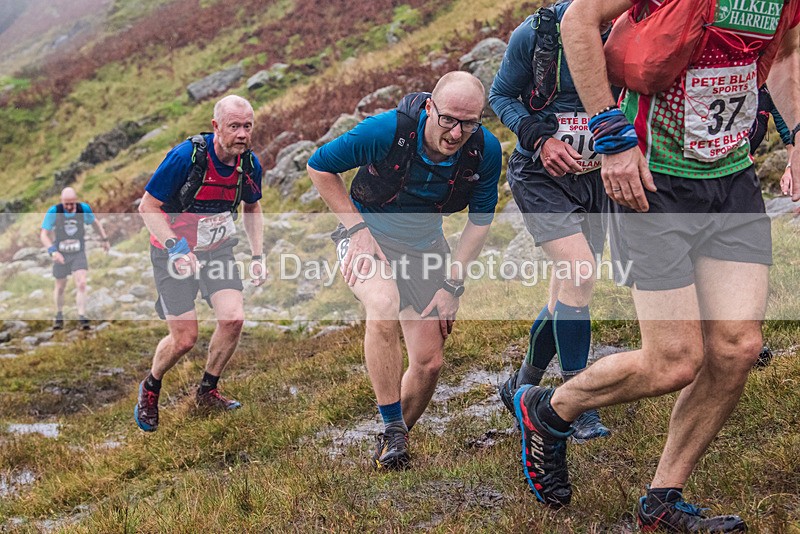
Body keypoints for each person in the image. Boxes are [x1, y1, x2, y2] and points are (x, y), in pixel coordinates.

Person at [507, 1, 800, 532]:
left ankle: (662, 499)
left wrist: (798, 134)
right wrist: (611, 135)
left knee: (738, 348)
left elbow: (784, 57)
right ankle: (548, 409)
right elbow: (578, 20)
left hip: (731, 178)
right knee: (674, 360)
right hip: (652, 181)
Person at [307, 71, 502, 470]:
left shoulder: (485, 150)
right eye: (448, 119)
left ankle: (393, 441)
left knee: (430, 362)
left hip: (424, 248)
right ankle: (393, 427)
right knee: (383, 303)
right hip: (369, 235)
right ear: (430, 107)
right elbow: (319, 167)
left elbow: (479, 223)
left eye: (469, 122)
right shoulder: (386, 130)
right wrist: (356, 230)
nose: (455, 133)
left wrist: (452, 285)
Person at [489, 0, 611, 443]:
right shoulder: (538, 34)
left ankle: (520, 387)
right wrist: (540, 139)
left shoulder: (631, 26)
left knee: (570, 288)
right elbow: (499, 95)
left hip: (597, 174)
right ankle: (578, 404)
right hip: (540, 175)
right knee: (579, 273)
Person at [134, 95, 266, 433]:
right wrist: (176, 247)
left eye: (247, 127)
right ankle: (151, 386)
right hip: (171, 253)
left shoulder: (249, 166)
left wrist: (257, 256)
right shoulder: (186, 157)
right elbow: (148, 207)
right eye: (234, 126)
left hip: (217, 251)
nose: (241, 134)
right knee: (184, 340)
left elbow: (252, 208)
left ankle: (207, 391)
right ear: (216, 127)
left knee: (233, 318)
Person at [40, 187, 110, 330]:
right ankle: (59, 314)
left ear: (76, 200)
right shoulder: (54, 211)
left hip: (78, 252)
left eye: (72, 203)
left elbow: (95, 223)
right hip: (60, 254)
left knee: (82, 283)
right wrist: (53, 252)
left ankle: (82, 317)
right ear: (62, 202)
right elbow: (43, 235)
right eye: (67, 204)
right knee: (60, 287)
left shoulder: (83, 209)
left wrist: (104, 239)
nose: (70, 207)